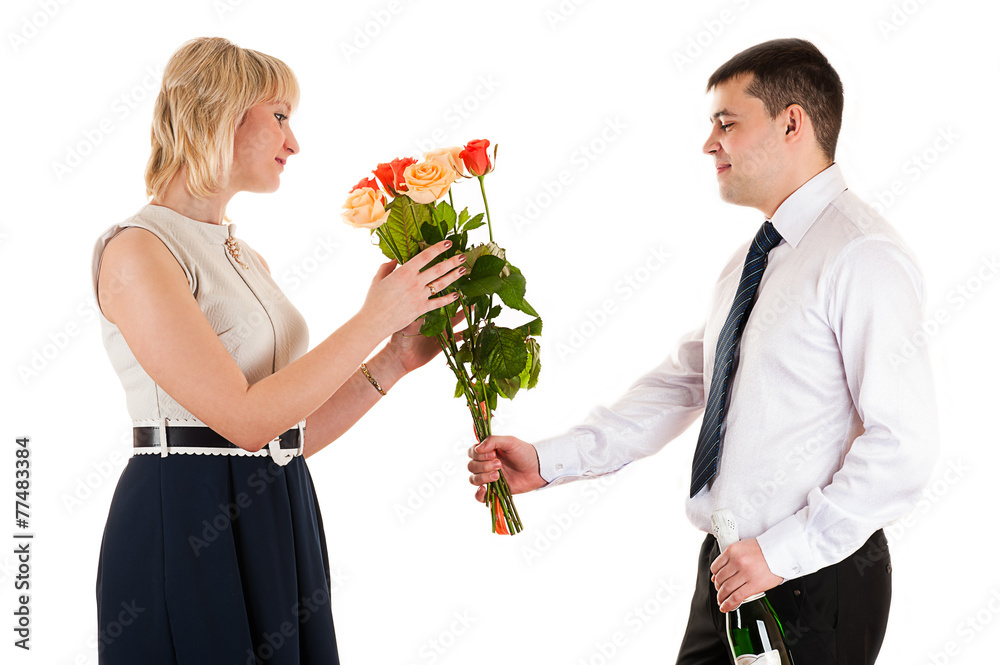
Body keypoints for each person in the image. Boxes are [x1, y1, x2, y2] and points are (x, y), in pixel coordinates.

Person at [467, 38, 938, 664]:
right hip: (730, 570)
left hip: (813, 576)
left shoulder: (863, 256)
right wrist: (550, 460)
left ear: (791, 121)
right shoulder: (755, 259)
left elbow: (904, 445)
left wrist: (784, 551)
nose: (709, 143)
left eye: (727, 122)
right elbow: (686, 384)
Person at [92, 37, 466, 665]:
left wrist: (395, 357)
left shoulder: (245, 256)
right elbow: (243, 421)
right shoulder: (138, 248)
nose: (294, 143)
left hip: (275, 509)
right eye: (281, 116)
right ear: (218, 112)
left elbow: (284, 436)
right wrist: (375, 317)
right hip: (185, 517)